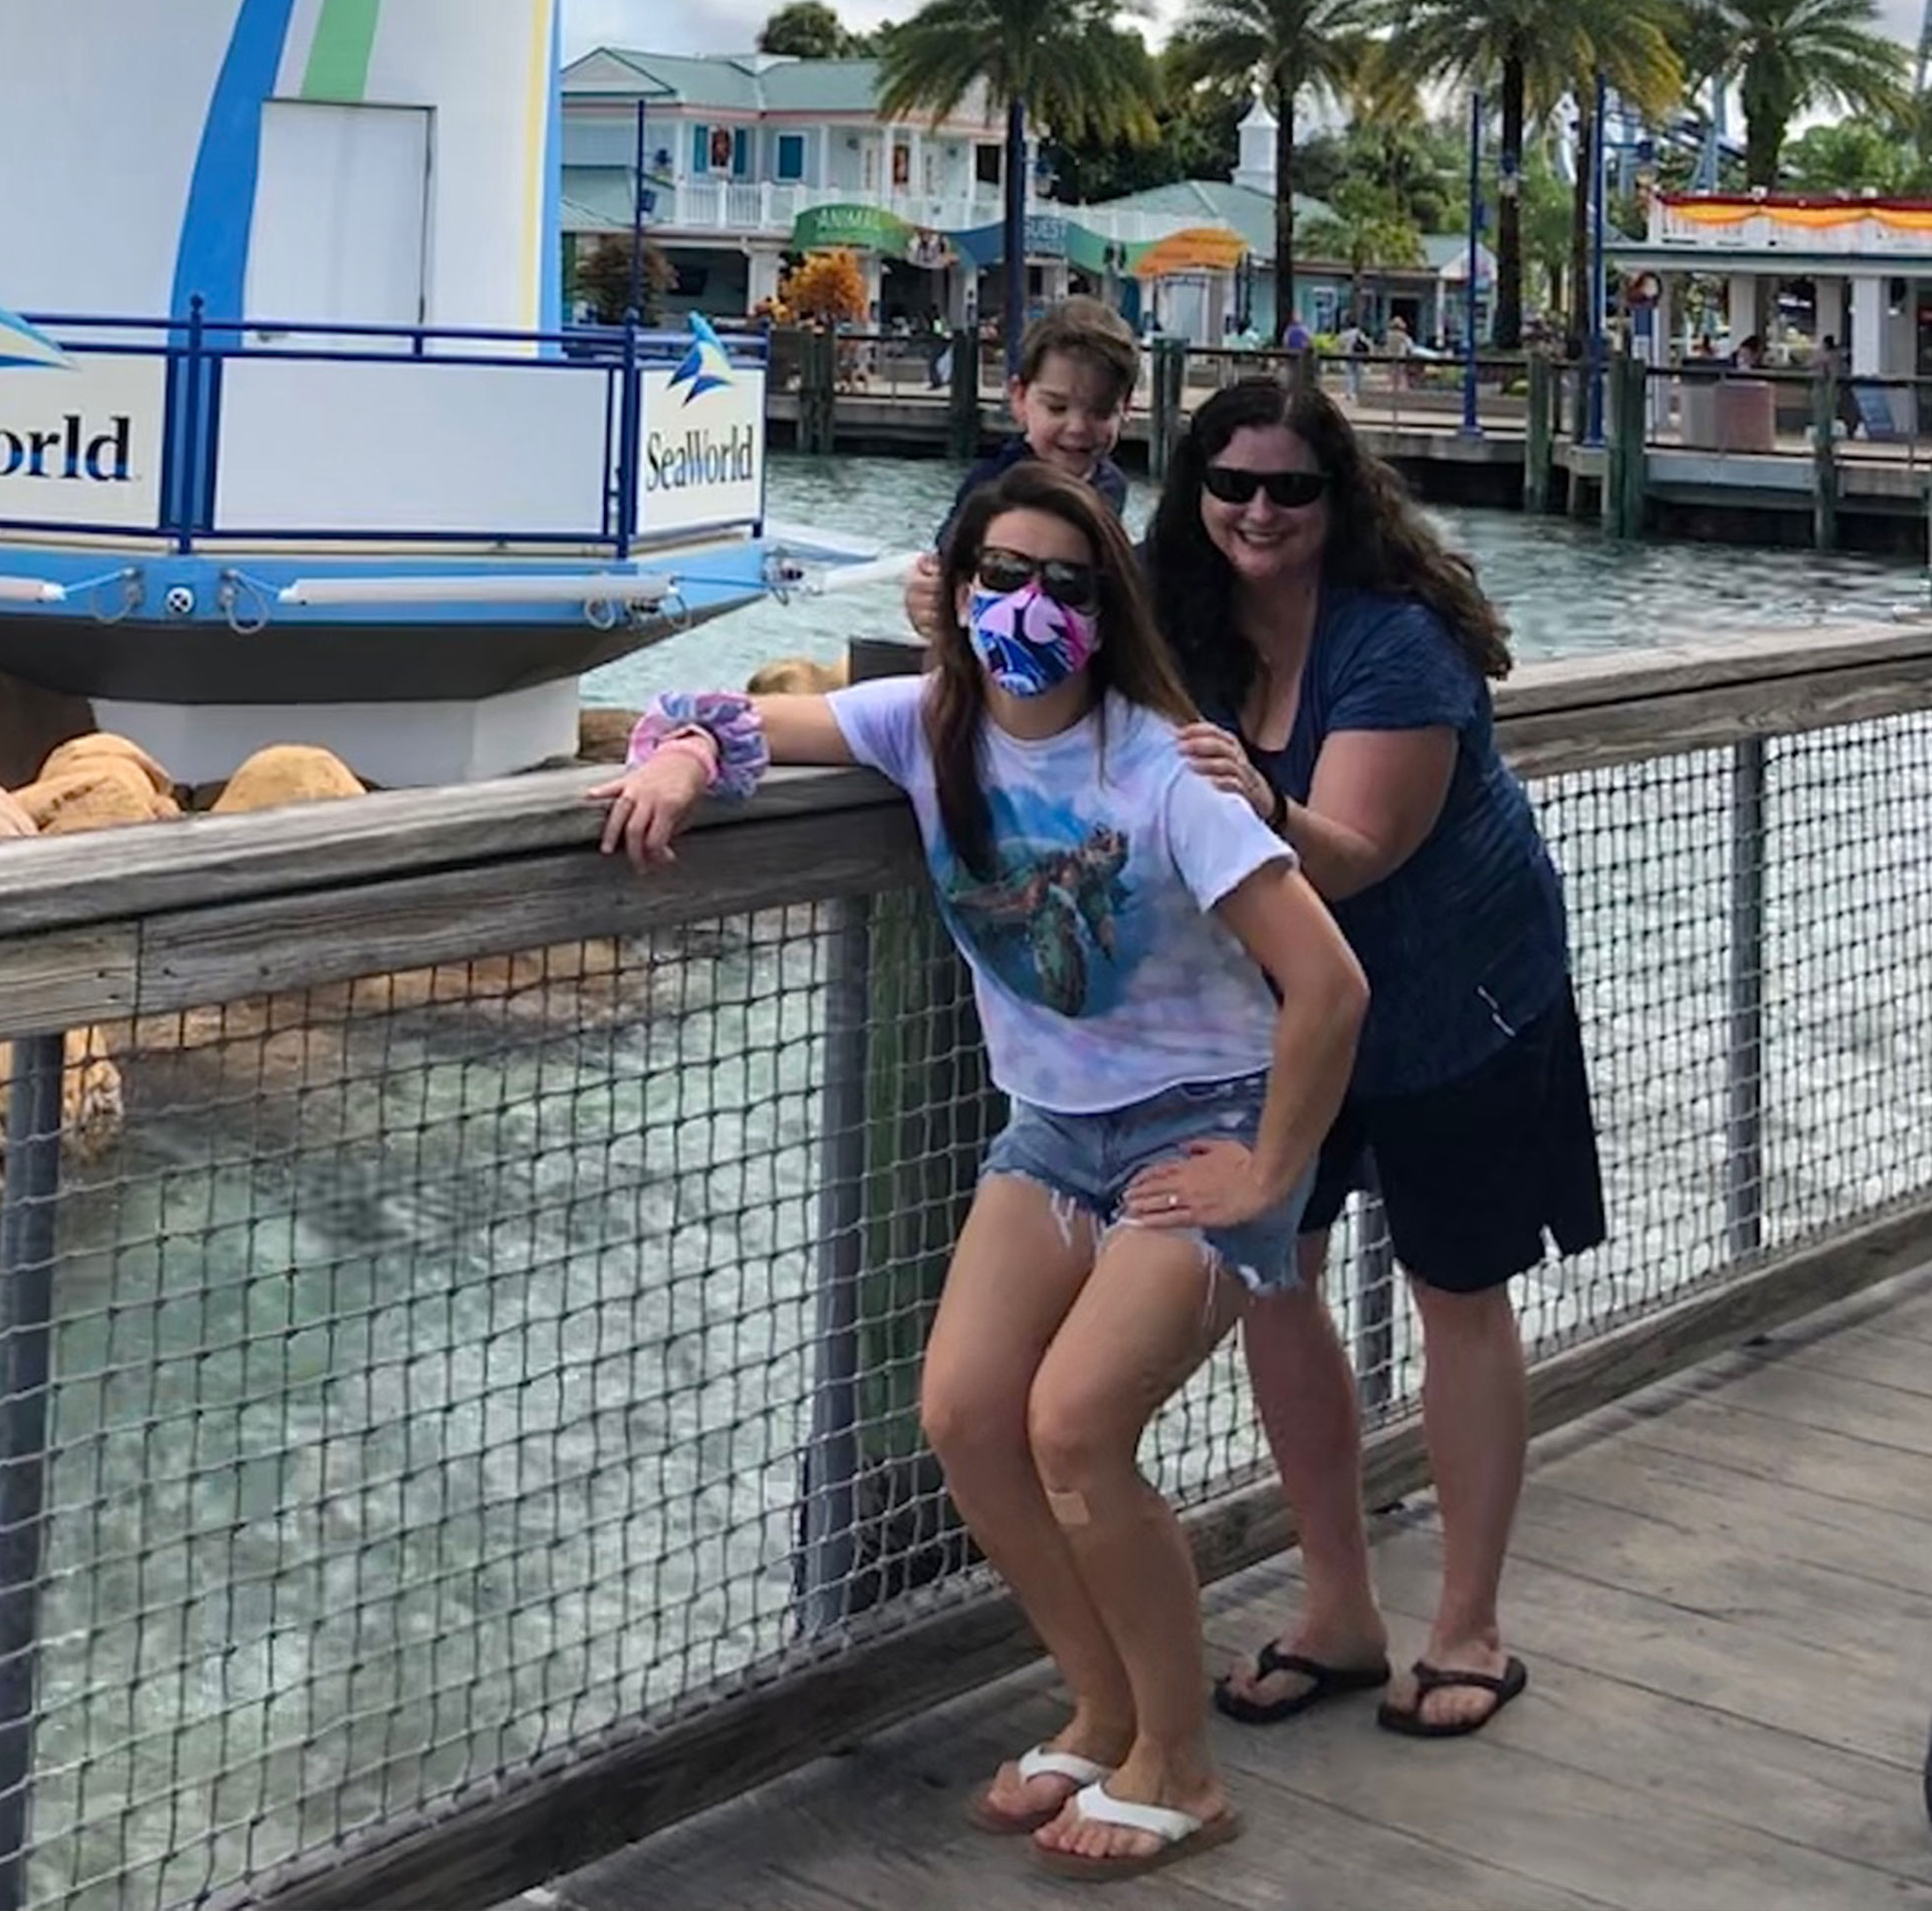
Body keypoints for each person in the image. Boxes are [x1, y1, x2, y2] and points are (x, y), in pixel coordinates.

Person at [591, 463, 1368, 1880]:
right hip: (1052, 1132)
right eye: (1001, 573)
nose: (1031, 606)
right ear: (952, 586)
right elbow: (730, 713)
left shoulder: (1159, 766)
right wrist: (682, 759)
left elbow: (1329, 983)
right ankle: (1104, 1704)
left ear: (1107, 607)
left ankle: (1181, 1766)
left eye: (1067, 584)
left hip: (1202, 1121)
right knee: (961, 1414)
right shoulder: (929, 722)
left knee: (1075, 1426)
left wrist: (1270, 1173)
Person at [1144, 377, 1608, 1740]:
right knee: (1275, 1273)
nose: (1259, 511)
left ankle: (1468, 1624)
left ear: (1338, 501)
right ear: (1196, 494)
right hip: (1297, 1010)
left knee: (1456, 1288)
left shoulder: (1397, 646)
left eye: (1292, 487)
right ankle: (1338, 1611)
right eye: (1231, 484)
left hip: (1462, 999)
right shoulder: (1193, 631)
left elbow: (1350, 852)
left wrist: (1256, 788)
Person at [934, 295, 1138, 541]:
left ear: (1125, 407)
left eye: (1101, 411)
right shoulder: (994, 485)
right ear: (1020, 398)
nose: (1077, 427)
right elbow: (952, 552)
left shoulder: (1111, 485)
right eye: (1057, 408)